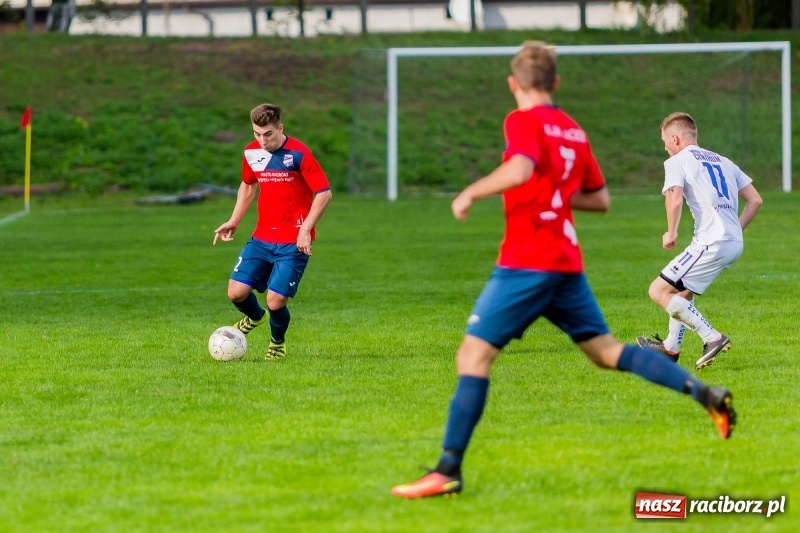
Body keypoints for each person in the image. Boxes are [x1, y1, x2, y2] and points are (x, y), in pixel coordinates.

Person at [391, 41, 737, 500]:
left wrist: (471, 192)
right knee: (604, 352)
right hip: (565, 262)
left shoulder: (521, 120)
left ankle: (447, 470)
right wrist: (553, 188)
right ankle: (705, 394)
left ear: (513, 84)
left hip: (527, 260)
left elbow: (518, 169)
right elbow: (599, 199)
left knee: (473, 357)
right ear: (555, 83)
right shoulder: (573, 130)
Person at [636, 112, 762, 370]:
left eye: (665, 143)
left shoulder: (678, 160)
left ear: (675, 138)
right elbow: (755, 200)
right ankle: (670, 348)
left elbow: (674, 198)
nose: (665, 148)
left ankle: (712, 337)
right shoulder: (724, 161)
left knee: (658, 291)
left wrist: (671, 232)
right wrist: (733, 231)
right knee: (682, 293)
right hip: (732, 242)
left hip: (710, 241)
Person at [213, 103, 332, 360]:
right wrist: (234, 219)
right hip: (262, 237)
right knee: (235, 293)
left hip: (293, 240)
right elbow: (247, 186)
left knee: (276, 301)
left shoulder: (299, 154)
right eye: (257, 133)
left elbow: (324, 193)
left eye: (268, 133)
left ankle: (277, 342)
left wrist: (306, 230)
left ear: (280, 128)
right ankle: (255, 317)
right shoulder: (251, 152)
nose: (262, 140)